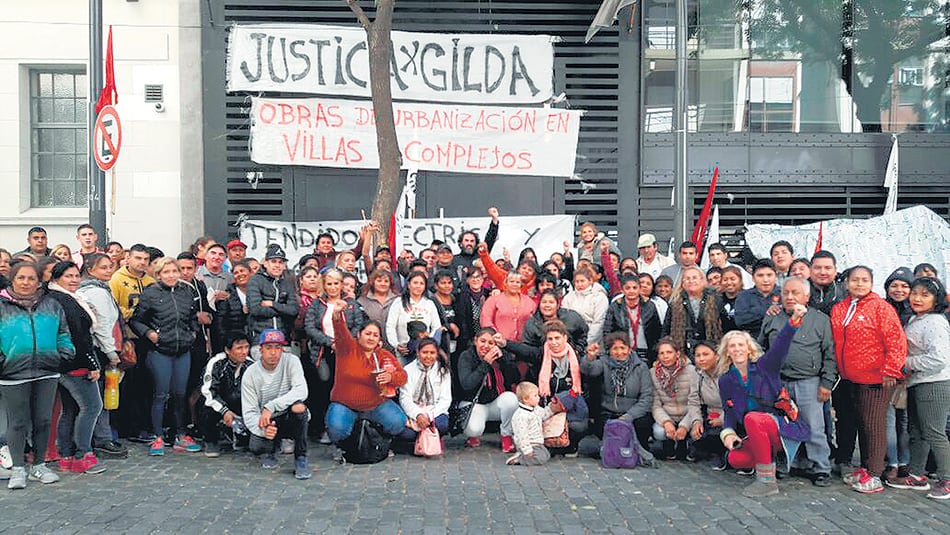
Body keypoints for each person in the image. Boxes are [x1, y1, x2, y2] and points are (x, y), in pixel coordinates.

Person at [830, 266, 907, 494]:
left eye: (864, 280)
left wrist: (891, 369)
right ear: (847, 283)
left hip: (875, 378)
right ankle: (866, 466)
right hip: (849, 378)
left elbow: (896, 341)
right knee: (862, 423)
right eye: (855, 280)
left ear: (872, 283)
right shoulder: (840, 308)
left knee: (874, 426)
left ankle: (875, 473)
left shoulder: (881, 308)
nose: (859, 284)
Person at [717, 304, 808, 497]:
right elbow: (729, 413)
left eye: (741, 345)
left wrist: (793, 322)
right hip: (755, 434)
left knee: (753, 418)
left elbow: (780, 346)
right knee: (736, 459)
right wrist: (729, 435)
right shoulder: (725, 380)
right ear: (727, 352)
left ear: (749, 350)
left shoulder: (765, 366)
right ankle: (771, 463)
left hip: (779, 426)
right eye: (732, 346)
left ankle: (766, 481)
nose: (737, 349)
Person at [0, 262, 75, 489]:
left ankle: (39, 465)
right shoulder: (2, 306)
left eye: (31, 278)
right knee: (17, 422)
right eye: (21, 278)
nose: (26, 283)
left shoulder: (51, 304)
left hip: (47, 371)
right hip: (13, 373)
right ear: (12, 280)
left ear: (38, 281)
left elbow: (63, 332)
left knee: (43, 420)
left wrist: (64, 352)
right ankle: (18, 469)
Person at [758, 277, 836, 486]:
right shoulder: (773, 317)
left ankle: (821, 468)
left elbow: (830, 354)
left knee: (814, 427)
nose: (790, 297)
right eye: (786, 293)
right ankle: (786, 464)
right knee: (783, 426)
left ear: (807, 296)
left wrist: (827, 383)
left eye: (795, 293)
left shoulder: (820, 320)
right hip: (779, 382)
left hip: (809, 382)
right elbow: (761, 348)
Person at [130, 257, 202, 456]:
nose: (171, 275)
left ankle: (180, 434)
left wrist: (192, 333)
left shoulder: (186, 291)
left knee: (180, 394)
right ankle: (157, 436)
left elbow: (193, 317)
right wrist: (150, 334)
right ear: (159, 274)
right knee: (160, 394)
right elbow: (136, 321)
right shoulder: (151, 293)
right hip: (160, 350)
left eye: (174, 271)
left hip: (182, 350)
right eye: (167, 272)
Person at [888, 277, 950, 499]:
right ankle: (916, 475)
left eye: (925, 295)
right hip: (917, 382)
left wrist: (906, 364)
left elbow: (939, 359)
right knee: (917, 432)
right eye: (915, 293)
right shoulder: (917, 319)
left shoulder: (935, 322)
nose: (917, 298)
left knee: (934, 433)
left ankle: (946, 479)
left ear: (936, 298)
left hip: (934, 383)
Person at [47, 261, 106, 475]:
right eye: (68, 276)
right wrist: (92, 364)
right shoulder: (65, 301)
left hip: (61, 363)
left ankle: (66, 456)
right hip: (75, 362)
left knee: (70, 409)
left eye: (75, 276)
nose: (73, 280)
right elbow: (79, 336)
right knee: (92, 407)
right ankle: (83, 454)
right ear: (57, 278)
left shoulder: (55, 298)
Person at [324, 301, 408, 447]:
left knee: (398, 423)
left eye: (375, 335)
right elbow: (340, 331)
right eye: (367, 334)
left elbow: (403, 377)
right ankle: (347, 444)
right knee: (337, 429)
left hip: (376, 404)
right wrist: (337, 314)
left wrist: (391, 377)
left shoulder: (384, 355)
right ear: (358, 334)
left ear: (379, 339)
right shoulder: (347, 349)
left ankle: (377, 441)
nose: (371, 338)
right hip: (346, 404)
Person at [76, 253, 128, 459]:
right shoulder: (96, 292)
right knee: (100, 398)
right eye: (103, 267)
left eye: (110, 266)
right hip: (100, 349)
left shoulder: (97, 289)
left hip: (98, 348)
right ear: (90, 270)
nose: (109, 270)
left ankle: (100, 437)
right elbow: (103, 326)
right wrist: (111, 352)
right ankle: (102, 439)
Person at [241, 329, 311, 479]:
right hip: (267, 420)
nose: (273, 352)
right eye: (268, 347)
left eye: (277, 347)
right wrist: (263, 430)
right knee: (256, 447)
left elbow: (301, 390)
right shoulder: (250, 373)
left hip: (288, 415)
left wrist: (271, 406)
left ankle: (301, 457)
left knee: (299, 408)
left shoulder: (292, 361)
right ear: (260, 350)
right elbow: (249, 412)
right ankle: (272, 448)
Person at [109, 243, 155, 442]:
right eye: (138, 258)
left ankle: (143, 426)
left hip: (147, 339)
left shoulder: (151, 281)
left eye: (145, 259)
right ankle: (126, 427)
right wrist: (134, 313)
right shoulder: (117, 280)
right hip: (127, 340)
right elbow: (114, 310)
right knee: (127, 386)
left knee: (146, 385)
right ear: (128, 258)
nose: (142, 262)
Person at [582, 333, 654, 447]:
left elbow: (647, 397)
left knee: (643, 425)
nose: (619, 352)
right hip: (609, 411)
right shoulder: (604, 363)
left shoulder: (641, 367)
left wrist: (628, 416)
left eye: (622, 348)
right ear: (609, 351)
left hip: (633, 412)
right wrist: (590, 357)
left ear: (629, 349)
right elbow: (589, 370)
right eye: (615, 348)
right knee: (602, 426)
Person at [457, 328, 520, 451]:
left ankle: (506, 435)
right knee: (474, 429)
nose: (486, 346)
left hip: (495, 402)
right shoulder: (466, 356)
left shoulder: (501, 355)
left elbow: (515, 377)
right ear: (476, 341)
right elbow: (467, 385)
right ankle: (472, 436)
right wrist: (485, 364)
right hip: (474, 403)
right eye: (483, 341)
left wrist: (503, 360)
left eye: (491, 343)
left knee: (511, 399)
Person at [536, 320, 588, 455]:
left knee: (579, 426)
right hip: (547, 408)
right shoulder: (541, 355)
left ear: (565, 337)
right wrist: (505, 343)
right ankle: (550, 445)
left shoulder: (576, 356)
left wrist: (591, 358)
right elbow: (522, 350)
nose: (554, 342)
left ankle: (570, 447)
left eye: (557, 338)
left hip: (571, 410)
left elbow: (589, 372)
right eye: (550, 339)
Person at [200, 333, 254, 457]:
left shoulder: (250, 365)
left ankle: (241, 436)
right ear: (227, 350)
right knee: (206, 405)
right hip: (219, 403)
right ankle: (210, 439)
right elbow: (209, 392)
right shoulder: (216, 363)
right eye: (239, 348)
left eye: (246, 347)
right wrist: (224, 411)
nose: (244, 352)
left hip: (240, 403)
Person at [650, 338, 700, 460]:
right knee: (659, 432)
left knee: (696, 430)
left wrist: (684, 426)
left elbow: (695, 401)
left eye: (669, 352)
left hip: (688, 413)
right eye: (662, 353)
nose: (665, 356)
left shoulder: (692, 371)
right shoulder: (652, 373)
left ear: (677, 354)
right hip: (668, 413)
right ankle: (669, 444)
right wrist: (666, 422)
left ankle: (687, 443)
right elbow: (655, 404)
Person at [397, 338, 452, 443]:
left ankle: (432, 440)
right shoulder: (408, 370)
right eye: (424, 352)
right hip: (414, 410)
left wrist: (429, 416)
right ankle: (421, 442)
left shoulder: (443, 371)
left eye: (432, 353)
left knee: (441, 425)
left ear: (437, 354)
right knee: (407, 434)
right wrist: (418, 414)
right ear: (418, 353)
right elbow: (405, 398)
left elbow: (446, 399)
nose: (428, 356)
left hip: (434, 411)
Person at [603, 274, 663, 365]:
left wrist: (657, 353)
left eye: (635, 288)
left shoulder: (650, 306)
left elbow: (657, 331)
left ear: (639, 289)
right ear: (622, 290)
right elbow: (607, 331)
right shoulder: (615, 306)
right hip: (623, 352)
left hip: (647, 351)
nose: (631, 291)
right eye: (627, 288)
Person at [663, 266, 722, 357]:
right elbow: (666, 330)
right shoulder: (675, 303)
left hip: (711, 350)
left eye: (694, 278)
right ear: (682, 283)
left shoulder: (715, 300)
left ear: (702, 280)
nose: (691, 281)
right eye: (687, 279)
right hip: (684, 352)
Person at [246, 244, 298, 343]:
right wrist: (283, 309)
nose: (277, 265)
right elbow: (255, 309)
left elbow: (293, 310)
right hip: (260, 339)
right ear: (265, 263)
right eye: (273, 261)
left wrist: (272, 304)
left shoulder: (287, 284)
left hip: (283, 339)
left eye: (281, 262)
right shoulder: (255, 280)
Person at [386, 272, 442, 360]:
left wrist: (428, 343)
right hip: (404, 351)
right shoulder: (399, 302)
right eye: (415, 283)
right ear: (408, 285)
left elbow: (436, 327)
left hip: (424, 351)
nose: (418, 286)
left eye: (421, 283)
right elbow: (390, 326)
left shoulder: (429, 303)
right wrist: (396, 344)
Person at [688, 341, 726, 469]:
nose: (701, 359)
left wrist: (721, 419)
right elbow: (693, 401)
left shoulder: (727, 374)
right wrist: (696, 421)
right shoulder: (697, 375)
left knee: (716, 434)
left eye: (706, 354)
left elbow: (736, 402)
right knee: (697, 436)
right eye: (698, 355)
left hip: (728, 413)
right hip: (709, 413)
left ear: (716, 356)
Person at [507, 382, 563, 466]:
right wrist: (527, 450)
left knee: (546, 455)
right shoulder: (521, 415)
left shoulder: (535, 409)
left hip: (537, 442)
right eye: (535, 396)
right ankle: (520, 458)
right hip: (529, 443)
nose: (538, 398)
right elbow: (521, 435)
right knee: (541, 458)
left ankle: (526, 457)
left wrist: (552, 408)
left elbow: (544, 414)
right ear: (526, 399)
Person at [480, 271, 538, 346]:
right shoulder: (494, 300)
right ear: (506, 283)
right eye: (511, 281)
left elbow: (536, 320)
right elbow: (485, 319)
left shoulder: (529, 301)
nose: (514, 284)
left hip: (524, 345)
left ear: (521, 285)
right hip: (499, 344)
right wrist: (495, 335)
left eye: (517, 282)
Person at [561, 267, 609, 346]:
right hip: (571, 338)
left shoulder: (599, 297)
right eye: (577, 282)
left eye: (582, 281)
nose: (579, 284)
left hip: (592, 340)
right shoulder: (569, 297)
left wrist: (587, 342)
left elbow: (599, 322)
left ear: (590, 281)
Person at [735, 259, 781, 336]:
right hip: (752, 341)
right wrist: (768, 312)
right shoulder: (744, 296)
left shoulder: (785, 294)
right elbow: (741, 321)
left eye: (769, 275)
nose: (765, 280)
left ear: (776, 276)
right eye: (760, 275)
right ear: (753, 278)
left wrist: (754, 314)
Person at [214, 259, 252, 348]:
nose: (240, 274)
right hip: (236, 344)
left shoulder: (259, 293)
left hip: (256, 341)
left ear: (250, 273)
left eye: (242, 271)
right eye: (236, 273)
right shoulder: (227, 296)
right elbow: (220, 324)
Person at [358, 269, 399, 334]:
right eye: (379, 281)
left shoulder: (398, 300)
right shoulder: (362, 301)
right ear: (373, 282)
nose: (383, 284)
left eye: (386, 281)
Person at [808, 250, 846, 315]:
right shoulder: (799, 291)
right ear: (810, 270)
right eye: (817, 268)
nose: (822, 272)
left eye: (828, 268)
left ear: (835, 271)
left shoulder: (847, 292)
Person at [718, 266, 744, 333]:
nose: (729, 283)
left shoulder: (748, 298)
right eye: (725, 280)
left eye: (733, 279)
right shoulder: (716, 299)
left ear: (740, 280)